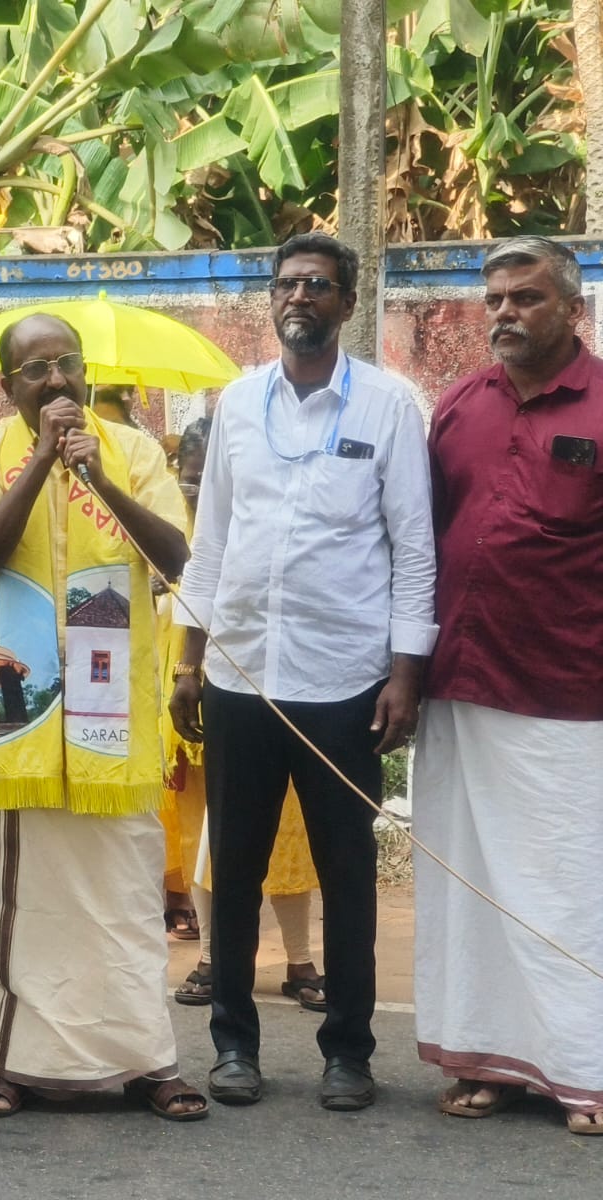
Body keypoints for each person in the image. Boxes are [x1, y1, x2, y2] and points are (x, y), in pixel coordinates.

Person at [170, 233, 437, 1112]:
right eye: (287, 283)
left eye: (318, 285)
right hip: (242, 676)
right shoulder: (239, 403)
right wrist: (188, 659)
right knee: (235, 871)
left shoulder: (389, 406)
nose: (299, 297)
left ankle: (348, 1054)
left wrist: (404, 674)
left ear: (347, 303)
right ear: (272, 297)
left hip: (344, 682)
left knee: (347, 875)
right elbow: (211, 539)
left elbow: (414, 549)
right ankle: (234, 1045)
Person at [0, 313, 205, 1122]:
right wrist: (39, 462)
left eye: (67, 363)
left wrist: (99, 479)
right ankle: (10, 1061)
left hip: (114, 709)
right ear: (8, 387)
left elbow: (178, 558)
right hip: (21, 712)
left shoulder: (131, 450)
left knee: (126, 894)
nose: (56, 380)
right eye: (36, 370)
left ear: (86, 370)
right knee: (22, 898)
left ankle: (148, 1060)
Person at [414, 235, 603, 1136]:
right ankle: (487, 1058)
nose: (505, 313)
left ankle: (585, 1070)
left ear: (573, 308)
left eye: (525, 298)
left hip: (571, 692)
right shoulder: (460, 406)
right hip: (460, 684)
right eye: (494, 299)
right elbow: (422, 542)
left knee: (569, 887)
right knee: (470, 887)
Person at [162, 418, 323, 1013]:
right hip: (191, 685)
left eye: (207, 477)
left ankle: (300, 958)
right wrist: (186, 670)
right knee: (210, 833)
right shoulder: (167, 520)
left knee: (291, 831)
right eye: (190, 478)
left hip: (268, 683)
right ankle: (212, 957)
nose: (198, 489)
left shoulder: (265, 513)